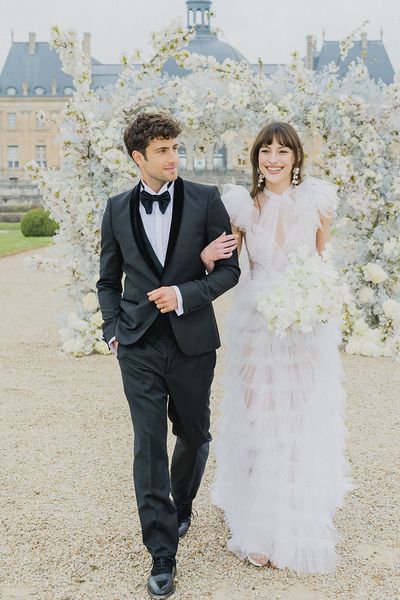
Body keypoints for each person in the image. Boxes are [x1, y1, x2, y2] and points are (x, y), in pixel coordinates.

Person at [96, 112, 240, 599]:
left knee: (196, 434)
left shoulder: (205, 199)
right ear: (139, 157)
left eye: (175, 147)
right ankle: (161, 552)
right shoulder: (115, 208)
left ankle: (182, 506)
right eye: (162, 150)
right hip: (136, 345)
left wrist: (182, 294)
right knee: (148, 441)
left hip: (193, 342)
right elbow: (106, 280)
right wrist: (112, 329)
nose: (173, 157)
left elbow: (229, 272)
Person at [201, 121, 353, 574]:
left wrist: (320, 299)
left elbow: (322, 260)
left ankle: (293, 514)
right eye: (266, 150)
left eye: (282, 151)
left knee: (297, 418)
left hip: (305, 325)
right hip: (256, 323)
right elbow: (227, 263)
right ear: (256, 159)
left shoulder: (318, 203)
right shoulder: (243, 207)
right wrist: (208, 257)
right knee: (260, 417)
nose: (273, 159)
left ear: (296, 158)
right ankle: (258, 526)